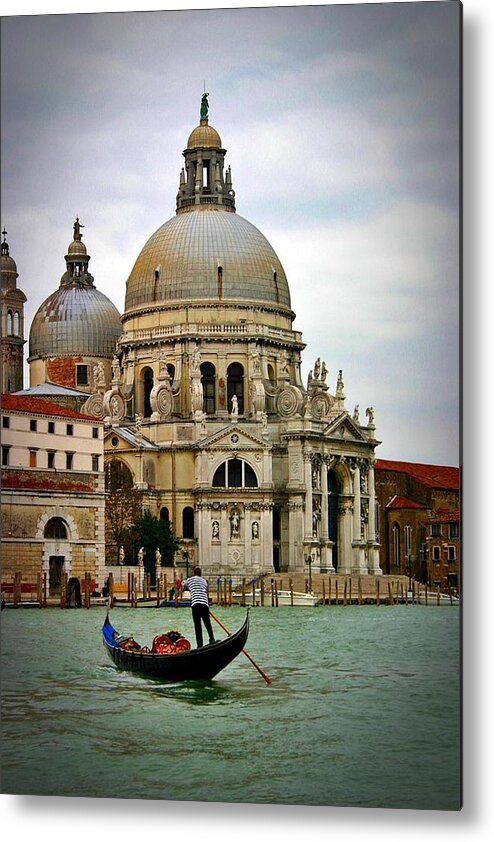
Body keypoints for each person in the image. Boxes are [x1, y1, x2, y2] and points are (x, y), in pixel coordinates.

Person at [182, 566, 215, 648]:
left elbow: (184, 585)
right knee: (207, 623)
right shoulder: (204, 581)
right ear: (201, 574)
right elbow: (205, 590)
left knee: (198, 626)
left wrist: (190, 588)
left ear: (194, 573)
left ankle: (199, 645)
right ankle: (212, 639)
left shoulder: (190, 580)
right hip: (204, 604)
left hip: (196, 604)